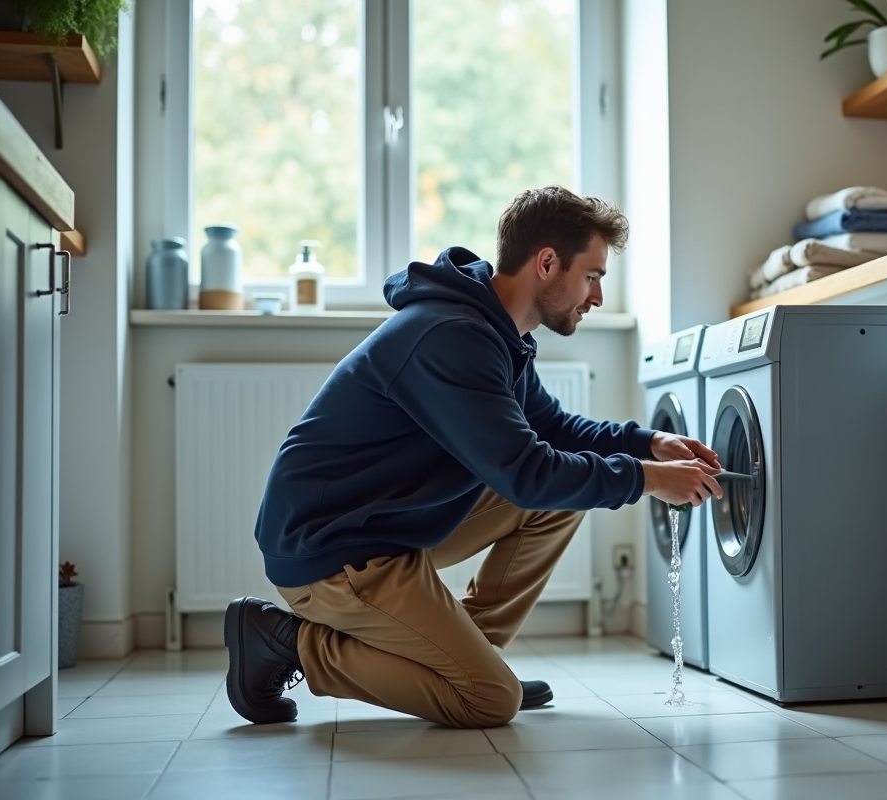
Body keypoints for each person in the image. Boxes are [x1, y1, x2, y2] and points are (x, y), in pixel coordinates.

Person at [224, 186, 722, 729]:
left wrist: (647, 444)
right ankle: (284, 642)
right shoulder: (452, 336)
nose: (597, 296)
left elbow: (552, 430)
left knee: (562, 499)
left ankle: (467, 657)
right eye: (593, 276)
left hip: (382, 527)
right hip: (331, 547)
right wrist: (649, 479)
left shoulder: (495, 330)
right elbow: (529, 473)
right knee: (489, 701)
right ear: (547, 263)